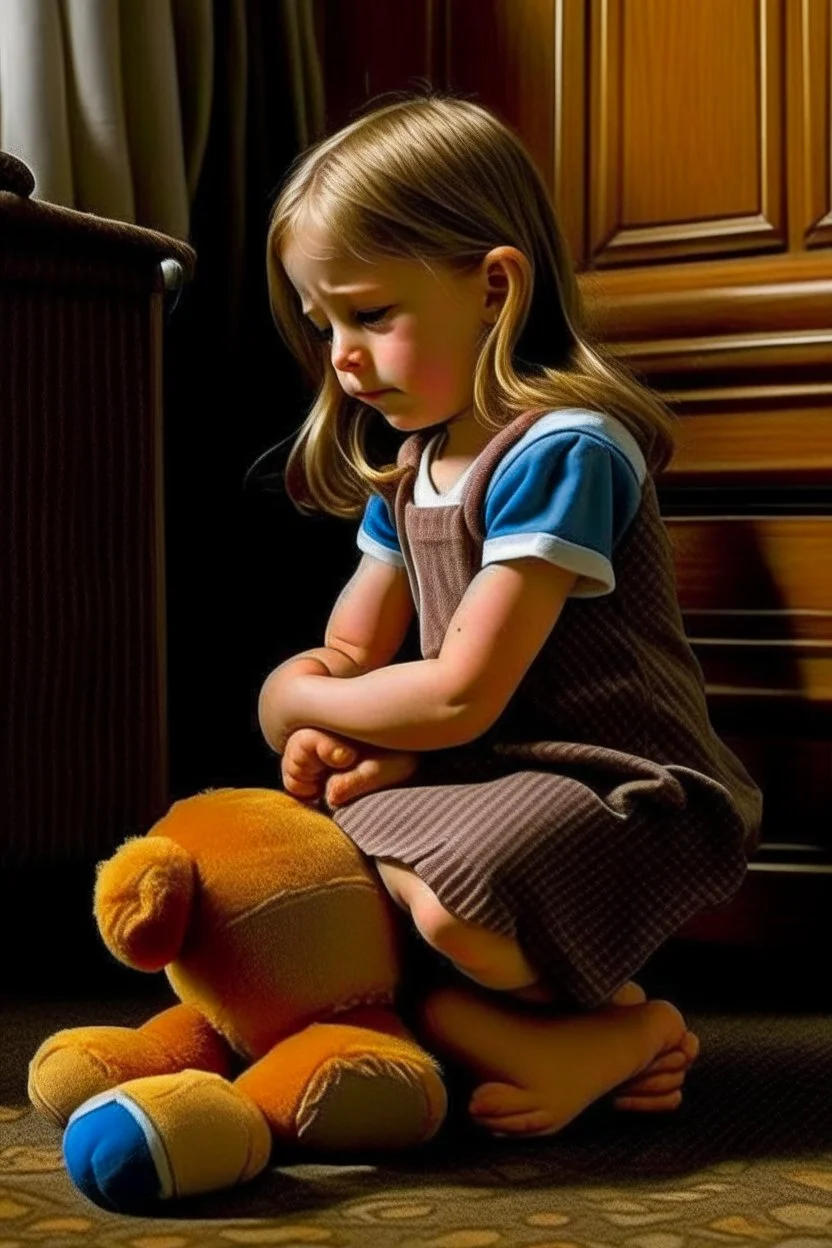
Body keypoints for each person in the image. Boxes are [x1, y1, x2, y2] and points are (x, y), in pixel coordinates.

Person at [256, 91, 763, 1139]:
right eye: (324, 326)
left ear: (491, 288)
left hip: (614, 775)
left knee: (450, 907)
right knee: (318, 899)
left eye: (369, 314)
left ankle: (629, 1027)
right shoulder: (413, 467)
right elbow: (354, 648)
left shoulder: (563, 451)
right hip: (487, 761)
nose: (341, 357)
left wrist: (294, 700)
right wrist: (332, 715)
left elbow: (458, 690)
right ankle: (574, 1032)